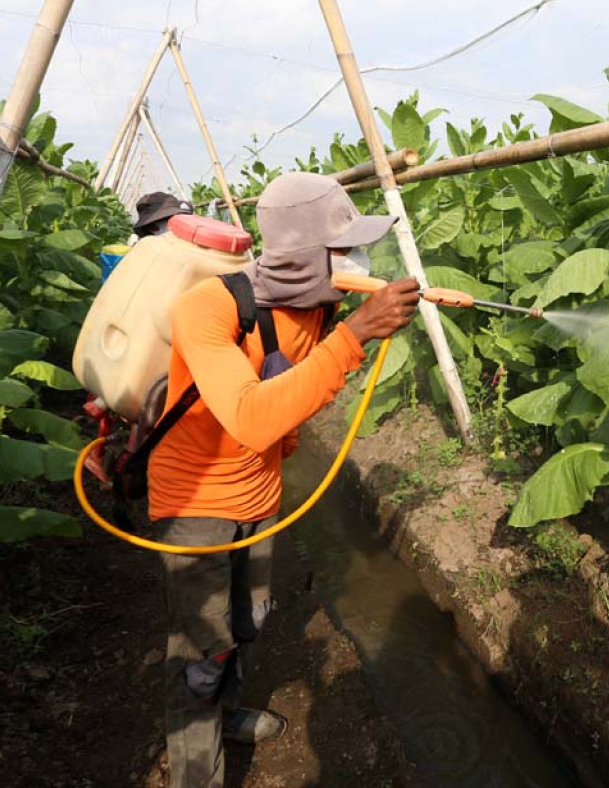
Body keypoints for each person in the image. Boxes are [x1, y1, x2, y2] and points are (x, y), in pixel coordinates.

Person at [147, 172, 420, 787]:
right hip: (196, 500)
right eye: (343, 249)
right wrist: (354, 337)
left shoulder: (319, 308)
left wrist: (345, 330)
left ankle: (228, 710)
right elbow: (248, 416)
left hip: (260, 492)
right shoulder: (210, 306)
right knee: (200, 648)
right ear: (302, 255)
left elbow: (293, 401)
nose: (357, 261)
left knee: (247, 618)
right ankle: (198, 773)